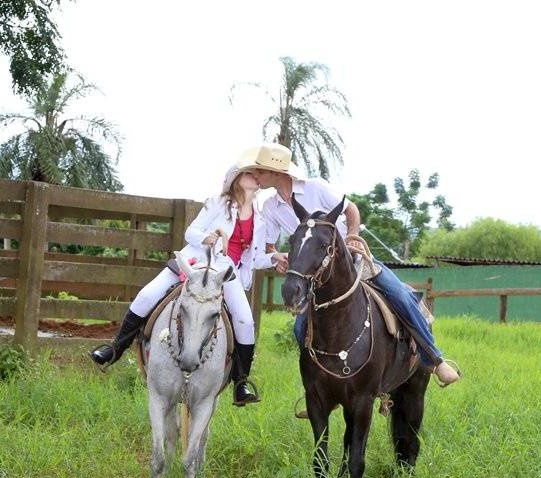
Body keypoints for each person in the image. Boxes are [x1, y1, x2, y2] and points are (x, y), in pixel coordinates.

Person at [239, 143, 460, 413]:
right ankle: (318, 391)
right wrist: (283, 257)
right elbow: (270, 246)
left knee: (401, 296)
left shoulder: (315, 188)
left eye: (259, 170)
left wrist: (352, 237)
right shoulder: (270, 207)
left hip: (349, 261)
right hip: (318, 275)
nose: (256, 175)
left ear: (276, 170)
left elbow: (351, 209)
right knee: (301, 328)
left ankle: (435, 359)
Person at [90, 165, 274, 406]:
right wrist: (206, 238)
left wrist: (275, 258)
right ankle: (114, 349)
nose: (257, 178)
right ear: (238, 179)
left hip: (227, 273)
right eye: (252, 173)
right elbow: (191, 232)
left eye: (259, 175)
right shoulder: (216, 204)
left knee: (245, 322)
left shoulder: (260, 219)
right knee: (147, 295)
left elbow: (257, 257)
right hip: (195, 261)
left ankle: (241, 383)